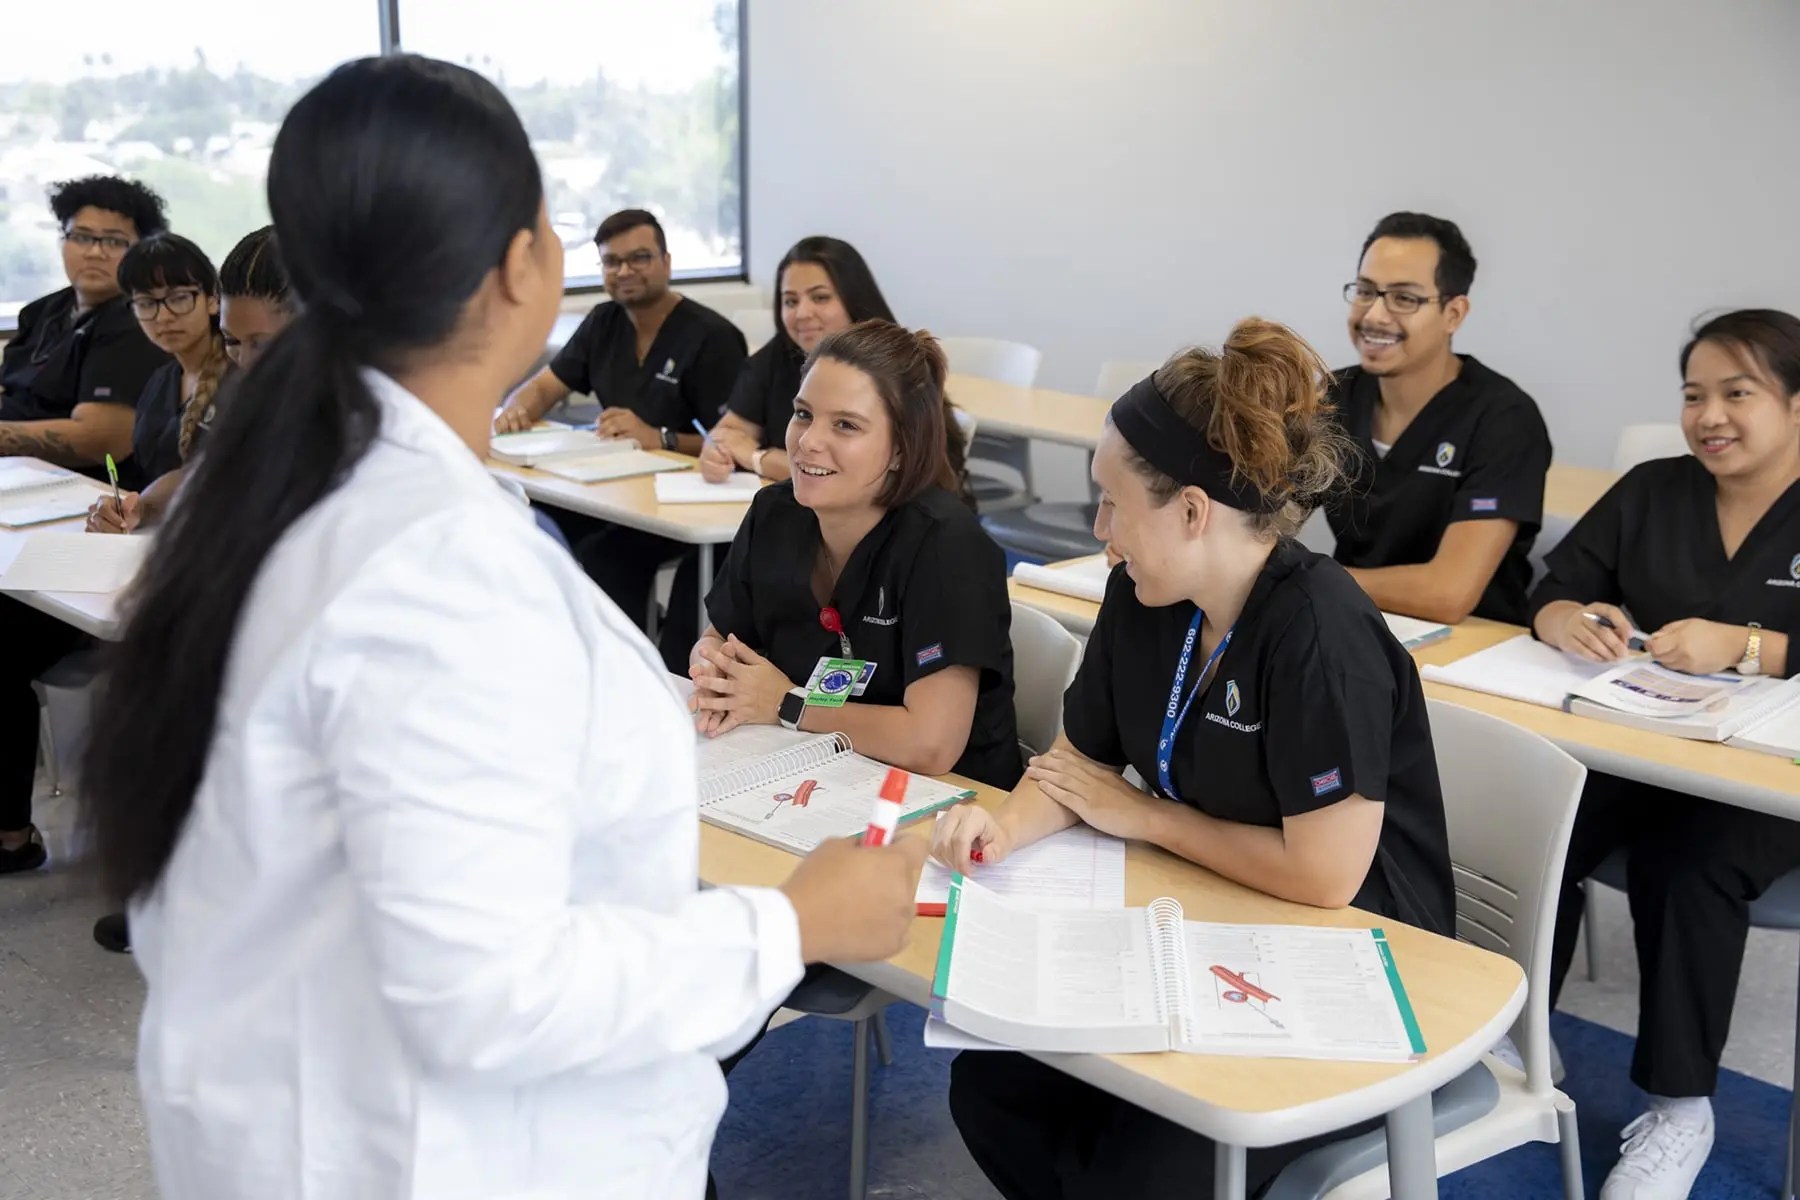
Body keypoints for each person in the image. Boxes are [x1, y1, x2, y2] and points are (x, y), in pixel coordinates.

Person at [76, 54, 923, 1198]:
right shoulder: (433, 569)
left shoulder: (298, 492)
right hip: (442, 1152)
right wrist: (791, 926)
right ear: (522, 265)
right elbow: (487, 990)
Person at [933, 318, 1455, 1200]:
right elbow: (1076, 766)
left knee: (1139, 1169)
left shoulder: (1322, 635)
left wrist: (1145, 818)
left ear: (1190, 510)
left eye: (1111, 503)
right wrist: (1002, 829)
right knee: (995, 1092)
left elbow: (1326, 876)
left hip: (1359, 958)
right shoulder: (1145, 592)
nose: (1100, 530)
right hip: (1220, 914)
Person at [1534, 309, 1800, 1200]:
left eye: (1738, 394)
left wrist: (1752, 646)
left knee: (1686, 866)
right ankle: (1515, 1037)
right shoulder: (1653, 489)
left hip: (1769, 781)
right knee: (1538, 819)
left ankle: (1680, 1108)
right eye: (1693, 395)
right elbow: (1557, 587)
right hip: (1646, 746)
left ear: (1796, 404)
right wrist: (1568, 619)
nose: (1709, 416)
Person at [690, 319, 1022, 790]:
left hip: (948, 801)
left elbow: (931, 744)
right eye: (803, 414)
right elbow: (717, 639)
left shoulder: (947, 546)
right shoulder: (774, 513)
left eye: (845, 425)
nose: (808, 441)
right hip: (811, 769)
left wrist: (788, 703)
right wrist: (715, 674)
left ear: (901, 449)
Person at [1324, 212, 1552, 625]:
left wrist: (1312, 579)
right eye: (1366, 291)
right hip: (1353, 621)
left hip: (1475, 642)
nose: (1374, 315)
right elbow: (1259, 522)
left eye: (1404, 299)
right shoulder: (1331, 399)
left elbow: (1448, 594)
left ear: (1454, 313)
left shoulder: (1504, 419)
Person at [86, 226, 295, 537]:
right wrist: (139, 508)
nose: (163, 316)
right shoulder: (163, 383)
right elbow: (208, 473)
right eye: (231, 341)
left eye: (262, 344)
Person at [495, 206, 747, 444]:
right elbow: (543, 387)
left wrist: (659, 438)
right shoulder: (603, 321)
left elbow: (737, 441)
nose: (624, 271)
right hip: (617, 465)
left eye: (639, 258)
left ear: (666, 263)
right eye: (611, 261)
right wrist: (516, 408)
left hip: (690, 473)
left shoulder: (714, 337)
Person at [0, 175, 170, 472]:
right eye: (81, 237)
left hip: (82, 484)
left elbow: (100, 440)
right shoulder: (42, 311)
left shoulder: (140, 320)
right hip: (18, 471)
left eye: (114, 241)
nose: (94, 253)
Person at [701, 236, 898, 485]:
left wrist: (758, 458)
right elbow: (728, 432)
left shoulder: (896, 364)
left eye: (820, 298)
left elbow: (863, 476)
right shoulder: (779, 353)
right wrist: (716, 454)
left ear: (855, 299)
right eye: (791, 301)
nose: (802, 314)